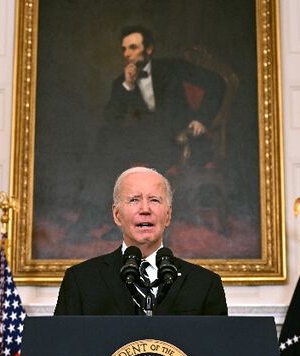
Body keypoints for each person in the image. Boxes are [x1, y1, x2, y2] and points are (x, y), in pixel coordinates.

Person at [54, 167, 227, 315]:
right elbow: (63, 348)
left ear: (168, 215)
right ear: (117, 215)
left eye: (154, 200)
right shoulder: (81, 281)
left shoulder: (205, 284)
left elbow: (218, 351)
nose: (145, 209)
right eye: (134, 200)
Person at [99, 25, 225, 172]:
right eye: (124, 49)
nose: (127, 54)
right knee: (105, 137)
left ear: (149, 49)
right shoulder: (121, 82)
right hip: (143, 143)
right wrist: (128, 85)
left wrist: (201, 119)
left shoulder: (173, 67)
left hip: (178, 138)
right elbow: (111, 118)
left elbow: (216, 82)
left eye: (133, 47)